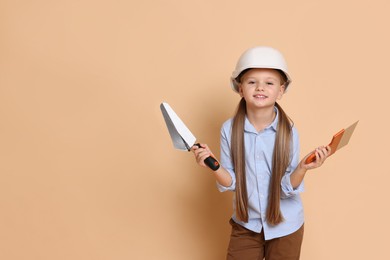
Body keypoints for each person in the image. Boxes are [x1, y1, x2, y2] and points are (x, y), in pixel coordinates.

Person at [191, 46, 331, 260]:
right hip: (247, 224)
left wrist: (302, 168)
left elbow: (287, 187)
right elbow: (232, 182)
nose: (260, 88)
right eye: (252, 81)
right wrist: (214, 165)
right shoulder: (228, 130)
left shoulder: (289, 132)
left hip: (286, 225)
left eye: (269, 82)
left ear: (281, 90)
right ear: (240, 89)